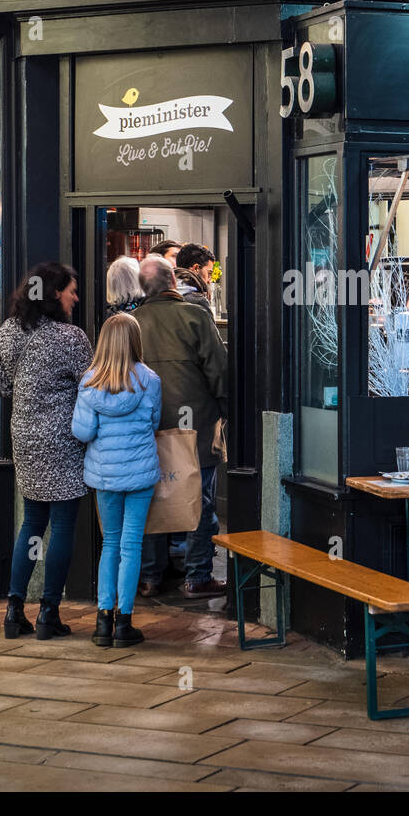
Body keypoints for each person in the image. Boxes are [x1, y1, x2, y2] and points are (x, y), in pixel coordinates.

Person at [0, 261, 92, 640]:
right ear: (54, 293)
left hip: (25, 438)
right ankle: (49, 611)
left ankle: (14, 609)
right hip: (62, 441)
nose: (75, 297)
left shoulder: (7, 332)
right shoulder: (70, 338)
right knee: (64, 524)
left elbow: (2, 387)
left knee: (32, 524)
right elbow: (92, 385)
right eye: (71, 290)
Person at [134, 255, 228, 599]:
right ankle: (198, 576)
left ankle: (150, 578)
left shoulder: (131, 322)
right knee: (198, 502)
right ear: (173, 281)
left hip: (147, 430)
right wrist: (226, 411)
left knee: (151, 500)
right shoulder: (195, 316)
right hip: (196, 429)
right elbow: (220, 373)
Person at [72, 312, 162, 648]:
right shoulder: (149, 380)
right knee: (131, 546)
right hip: (139, 474)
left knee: (109, 544)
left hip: (105, 476)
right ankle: (125, 622)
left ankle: (102, 622)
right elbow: (153, 423)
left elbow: (82, 431)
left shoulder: (90, 382)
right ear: (135, 342)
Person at [174, 243, 215, 317]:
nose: (209, 280)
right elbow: (208, 328)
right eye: (209, 273)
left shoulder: (161, 294)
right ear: (196, 268)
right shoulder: (198, 302)